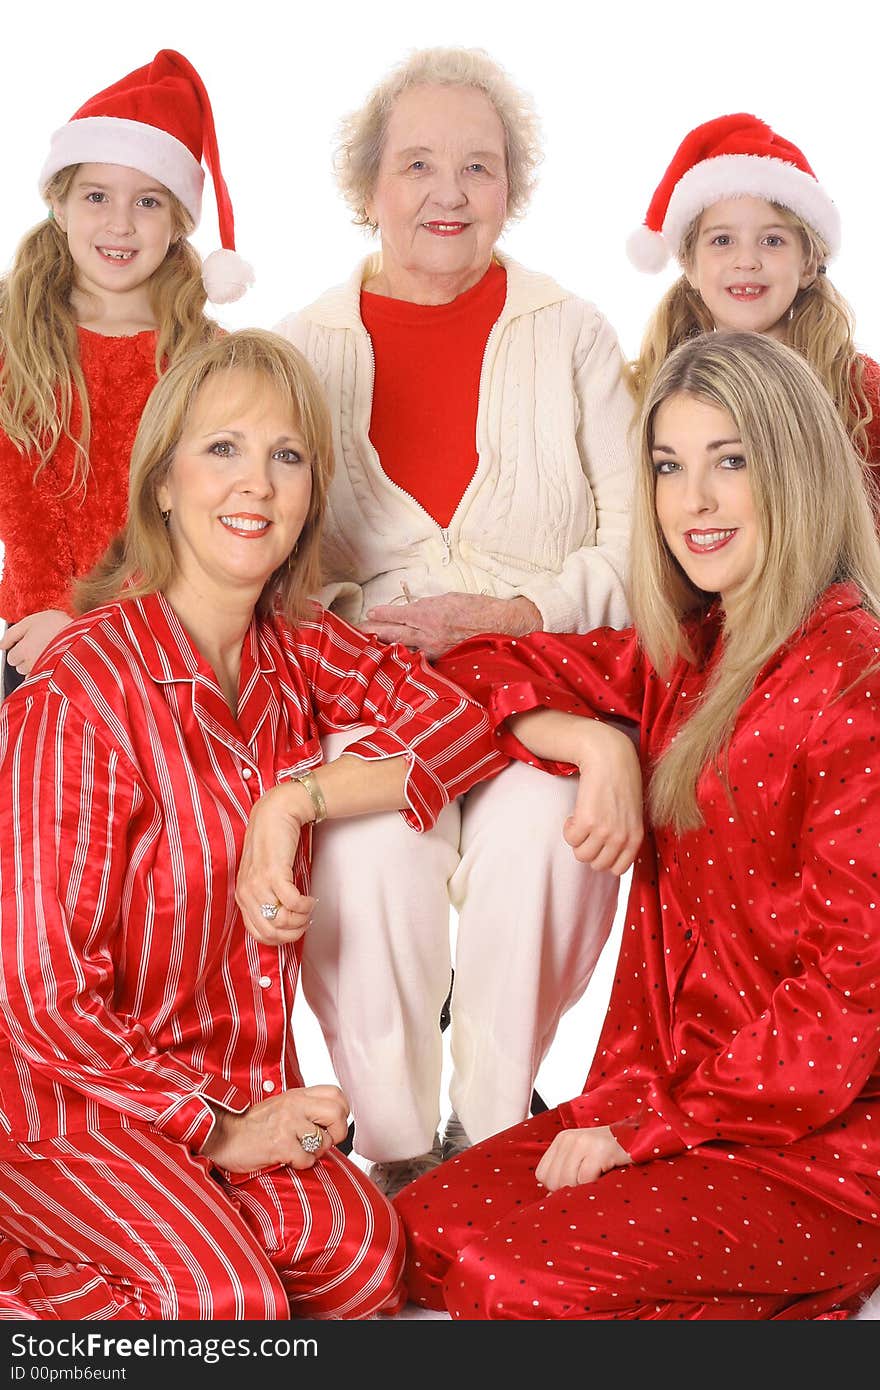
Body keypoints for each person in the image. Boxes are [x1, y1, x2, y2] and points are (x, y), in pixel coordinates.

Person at [0, 329, 508, 1321]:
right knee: (229, 1303)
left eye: (286, 456)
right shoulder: (82, 691)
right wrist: (224, 1132)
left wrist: (297, 798)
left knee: (365, 1267)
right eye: (222, 449)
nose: (258, 484)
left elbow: (461, 729)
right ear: (161, 484)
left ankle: (110, 1271)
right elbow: (39, 993)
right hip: (75, 1110)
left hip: (235, 1087)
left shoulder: (299, 647)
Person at [395, 330, 880, 1321]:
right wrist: (595, 741)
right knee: (409, 1234)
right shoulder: (685, 659)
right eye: (668, 466)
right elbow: (470, 667)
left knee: (507, 1282)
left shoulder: (853, 681)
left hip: (817, 1148)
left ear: (796, 469)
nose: (692, 501)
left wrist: (648, 1126)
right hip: (660, 1099)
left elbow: (846, 1002)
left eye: (728, 461)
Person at [275, 46, 636, 1196]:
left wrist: (517, 608)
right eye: (416, 164)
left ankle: (488, 1142)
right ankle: (390, 1150)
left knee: (549, 833)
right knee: (369, 849)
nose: (446, 193)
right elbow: (260, 552)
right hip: (370, 692)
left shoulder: (572, 332)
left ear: (510, 190)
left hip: (548, 689)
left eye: (476, 169)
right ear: (366, 185)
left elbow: (641, 540)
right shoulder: (297, 349)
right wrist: (358, 622)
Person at [0, 48, 254, 699]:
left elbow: (211, 531)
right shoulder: (12, 346)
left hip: (168, 651)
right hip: (34, 648)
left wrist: (94, 630)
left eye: (146, 201)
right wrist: (51, 624)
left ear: (177, 224)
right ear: (58, 204)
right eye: (95, 195)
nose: (119, 223)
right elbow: (28, 520)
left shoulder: (209, 362)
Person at [627, 113, 880, 488]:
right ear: (690, 266)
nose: (746, 261)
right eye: (722, 241)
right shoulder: (647, 389)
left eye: (772, 240)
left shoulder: (860, 393)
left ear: (809, 263)